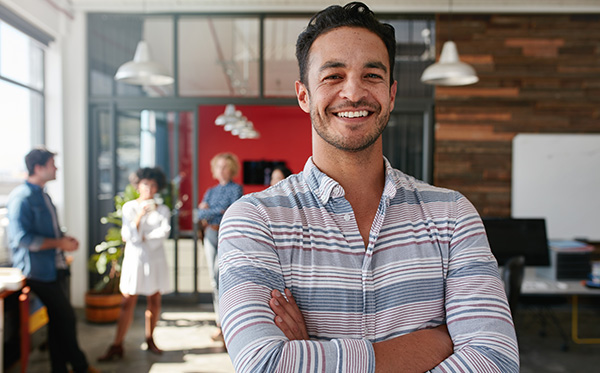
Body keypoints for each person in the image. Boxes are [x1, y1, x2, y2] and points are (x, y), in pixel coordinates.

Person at [218, 3, 519, 372]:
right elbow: (263, 363)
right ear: (303, 95)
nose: (354, 92)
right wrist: (436, 341)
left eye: (372, 75)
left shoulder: (452, 216)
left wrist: (311, 354)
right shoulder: (253, 220)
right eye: (333, 76)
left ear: (391, 94)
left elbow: (496, 361)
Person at [7, 147, 98, 373]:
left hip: (55, 266)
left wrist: (63, 240)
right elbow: (22, 238)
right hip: (37, 271)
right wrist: (59, 244)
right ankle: (80, 365)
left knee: (58, 323)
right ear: (38, 168)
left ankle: (60, 368)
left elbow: (48, 233)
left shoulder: (43, 194)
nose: (56, 168)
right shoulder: (22, 197)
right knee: (67, 318)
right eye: (52, 164)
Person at [98, 167, 172, 361]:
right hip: (135, 259)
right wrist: (140, 217)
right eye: (146, 184)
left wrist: (141, 236)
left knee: (154, 300)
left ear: (158, 187)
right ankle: (117, 344)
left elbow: (163, 233)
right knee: (127, 301)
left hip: (155, 260)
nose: (149, 188)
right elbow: (127, 235)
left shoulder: (163, 209)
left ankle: (150, 338)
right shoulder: (129, 207)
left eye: (153, 185)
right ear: (138, 186)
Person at [196, 152, 243, 342]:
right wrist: (214, 211)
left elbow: (230, 211)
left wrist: (209, 210)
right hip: (210, 235)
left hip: (226, 235)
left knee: (221, 276)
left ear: (231, 169)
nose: (222, 170)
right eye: (219, 167)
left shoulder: (236, 189)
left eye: (225, 166)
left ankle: (230, 323)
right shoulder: (211, 191)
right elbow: (199, 215)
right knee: (213, 280)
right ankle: (220, 324)